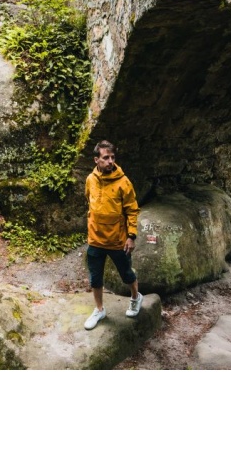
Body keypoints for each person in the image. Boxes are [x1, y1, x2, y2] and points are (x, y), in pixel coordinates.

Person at [83, 140, 143, 330]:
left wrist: (131, 236)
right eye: (105, 157)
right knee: (95, 278)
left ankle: (136, 297)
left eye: (112, 157)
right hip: (95, 239)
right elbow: (89, 200)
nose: (110, 161)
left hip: (117, 240)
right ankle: (99, 309)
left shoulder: (123, 182)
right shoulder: (90, 180)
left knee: (126, 274)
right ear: (96, 160)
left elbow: (132, 210)